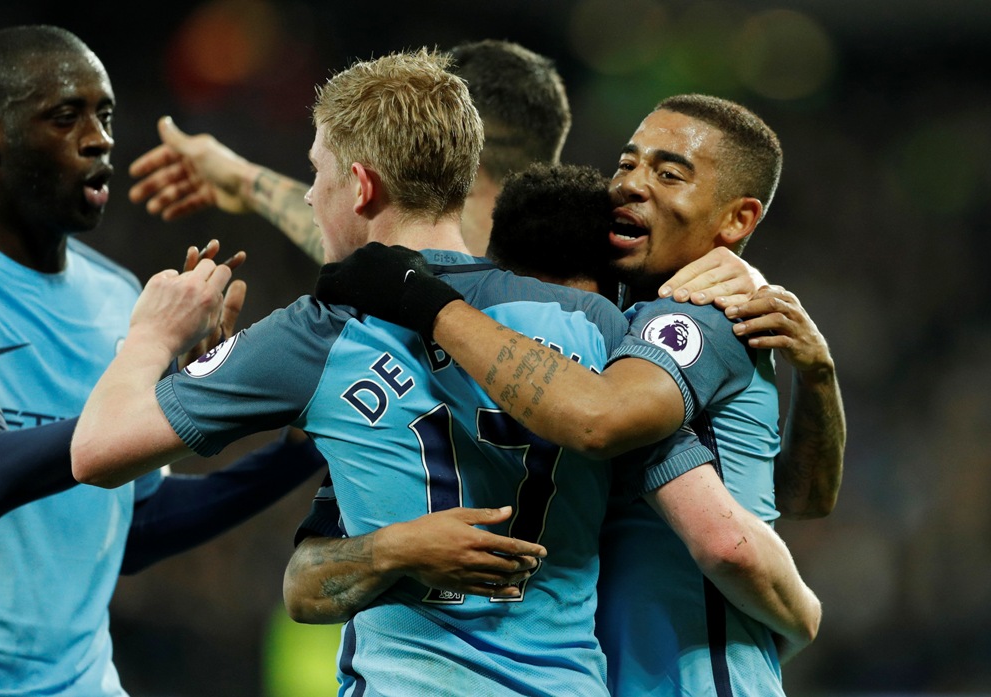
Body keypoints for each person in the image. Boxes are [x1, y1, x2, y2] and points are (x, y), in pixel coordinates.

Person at [71, 48, 633, 695]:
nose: (311, 195)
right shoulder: (593, 322)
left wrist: (150, 335)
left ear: (361, 186)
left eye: (318, 174)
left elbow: (96, 451)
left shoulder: (319, 330)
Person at [313, 95, 843, 694]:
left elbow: (724, 537)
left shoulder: (698, 317)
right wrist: (819, 381)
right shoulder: (616, 329)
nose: (631, 185)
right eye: (627, 163)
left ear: (737, 219)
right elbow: (796, 498)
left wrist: (803, 613)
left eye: (668, 173)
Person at [0, 25, 327, 696]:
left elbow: (135, 527)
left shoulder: (115, 296)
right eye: (65, 116)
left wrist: (295, 449)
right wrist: (156, 364)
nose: (100, 138)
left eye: (104, 115)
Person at [126, 38, 571, 260]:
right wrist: (244, 181)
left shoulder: (423, 299)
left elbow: (389, 260)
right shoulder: (597, 303)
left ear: (457, 141)